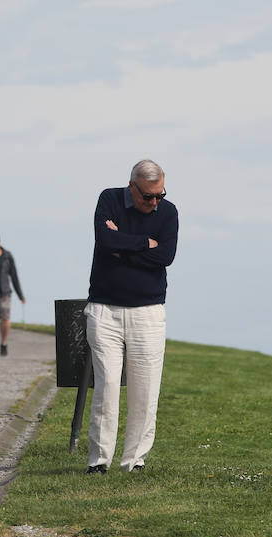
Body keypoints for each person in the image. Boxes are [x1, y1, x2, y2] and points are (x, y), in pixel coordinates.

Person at [85, 159, 178, 474]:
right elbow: (104, 240)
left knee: (145, 389)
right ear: (132, 187)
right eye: (147, 196)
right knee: (107, 385)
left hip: (148, 312)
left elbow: (165, 256)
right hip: (105, 309)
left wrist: (121, 248)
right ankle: (99, 461)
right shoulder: (109, 199)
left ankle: (134, 460)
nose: (154, 203)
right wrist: (143, 244)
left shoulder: (168, 213)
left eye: (159, 195)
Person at [0, 233, 26, 357]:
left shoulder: (7, 256)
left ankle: (3, 343)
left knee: (5, 318)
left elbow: (14, 276)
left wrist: (21, 296)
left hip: (4, 293)